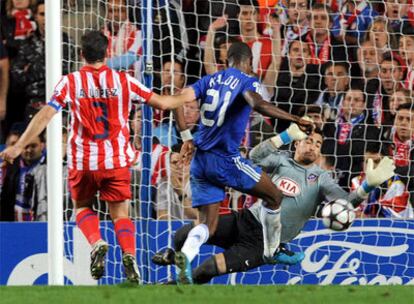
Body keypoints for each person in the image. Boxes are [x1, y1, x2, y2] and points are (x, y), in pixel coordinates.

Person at [0, 30, 196, 283]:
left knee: (82, 207)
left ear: (81, 54)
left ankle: (97, 242)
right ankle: (129, 256)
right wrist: (190, 94)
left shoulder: (70, 82)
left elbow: (46, 114)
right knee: (120, 214)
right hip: (115, 161)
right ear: (107, 53)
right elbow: (163, 104)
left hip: (83, 162)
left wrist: (18, 146)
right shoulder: (124, 81)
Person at [152, 125, 395, 284]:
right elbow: (254, 157)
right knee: (184, 233)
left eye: (318, 144)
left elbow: (345, 204)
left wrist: (367, 186)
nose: (312, 146)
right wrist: (285, 136)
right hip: (245, 219)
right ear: (298, 143)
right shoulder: (281, 161)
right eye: (308, 140)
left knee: (207, 268)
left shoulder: (321, 178)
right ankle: (175, 257)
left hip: (265, 242)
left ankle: (170, 287)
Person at [171, 41, 314, 284]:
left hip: (203, 162)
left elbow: (175, 100)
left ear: (226, 60)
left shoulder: (211, 80)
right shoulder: (247, 81)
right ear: (249, 63)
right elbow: (258, 104)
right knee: (274, 196)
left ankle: (182, 260)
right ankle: (272, 250)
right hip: (227, 165)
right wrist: (294, 119)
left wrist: (186, 137)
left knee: (205, 227)